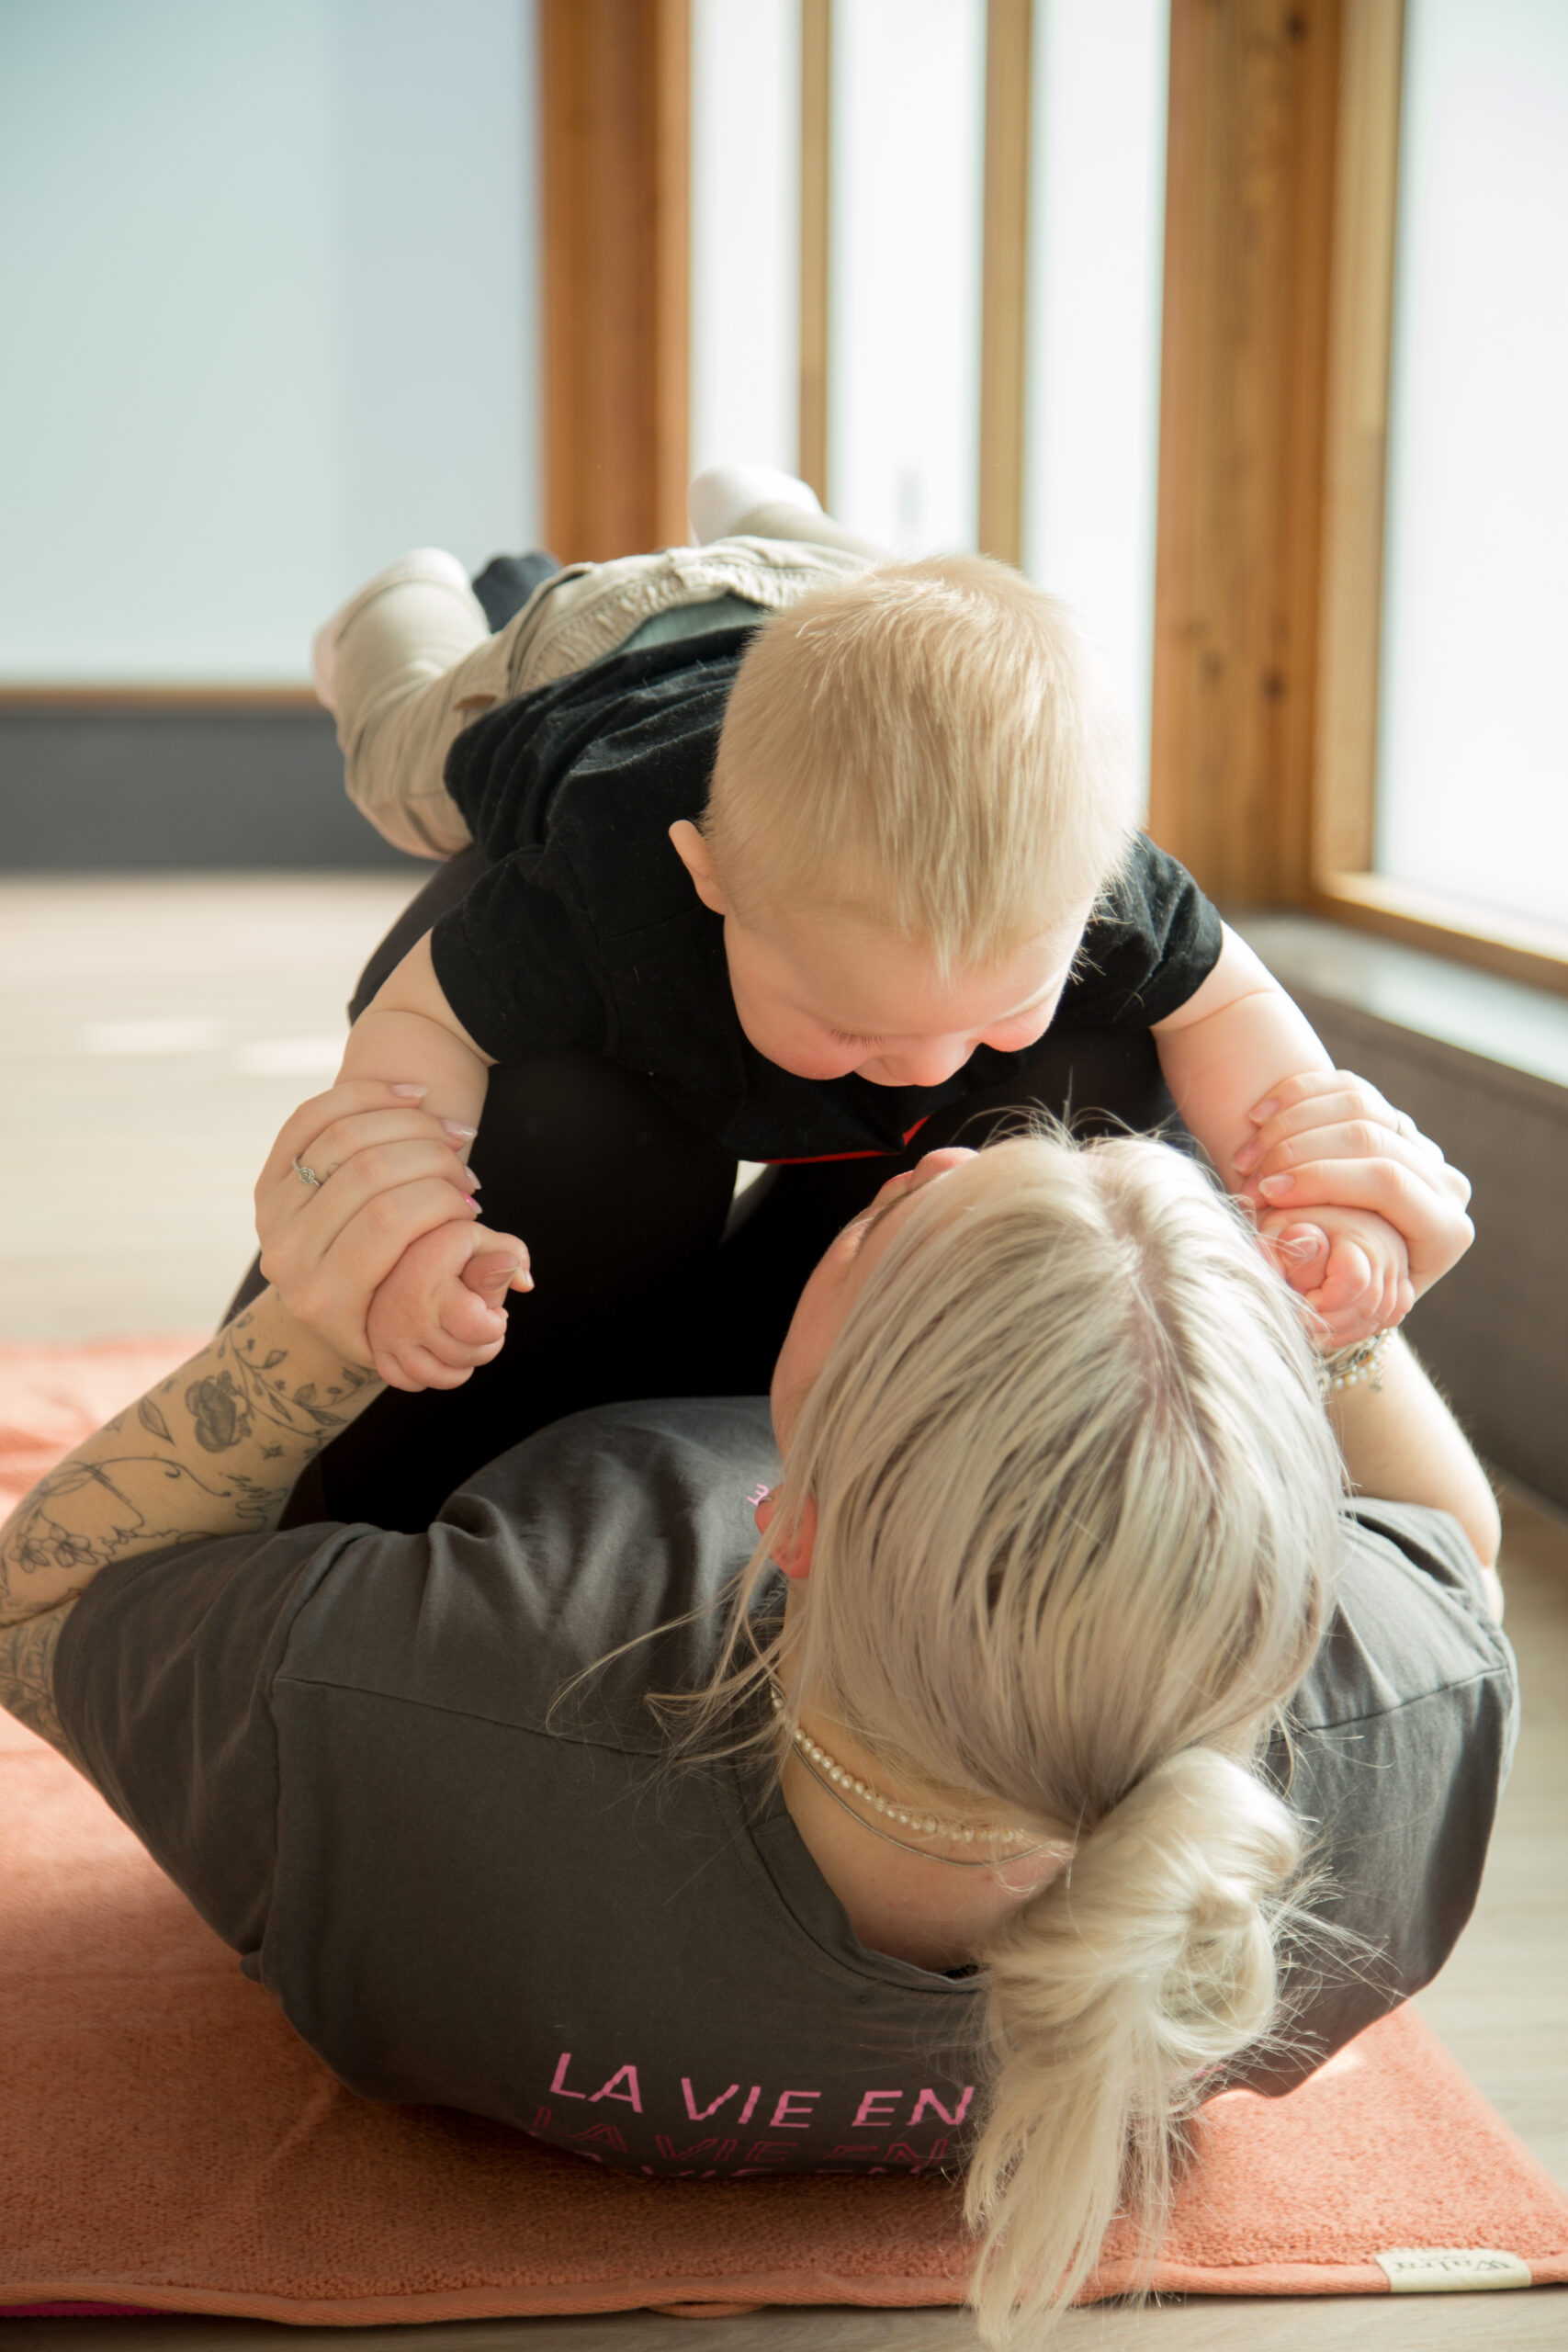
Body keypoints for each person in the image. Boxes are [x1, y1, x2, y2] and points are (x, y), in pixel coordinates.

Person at [0, 1069, 1511, 2343]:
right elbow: (1450, 1554)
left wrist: (320, 1322)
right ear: (1287, 1583)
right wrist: (1345, 1312)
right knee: (1093, 1049)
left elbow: (41, 1615)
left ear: (778, 1530)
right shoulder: (1397, 1720)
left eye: (893, 1235)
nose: (934, 1173)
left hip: (516, 1427)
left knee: (569, 1090)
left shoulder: (427, 1696)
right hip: (915, 1479)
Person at [302, 467, 1420, 1405]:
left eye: (1001, 1014)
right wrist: (415, 1216)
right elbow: (414, 1021)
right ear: (709, 876)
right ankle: (399, 602)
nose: (936, 1069)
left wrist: (1309, 1192)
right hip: (578, 659)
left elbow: (1230, 1004)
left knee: (864, 585)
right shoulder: (603, 886)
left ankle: (768, 509)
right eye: (849, 1026)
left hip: (826, 602)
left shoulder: (1093, 876)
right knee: (408, 755)